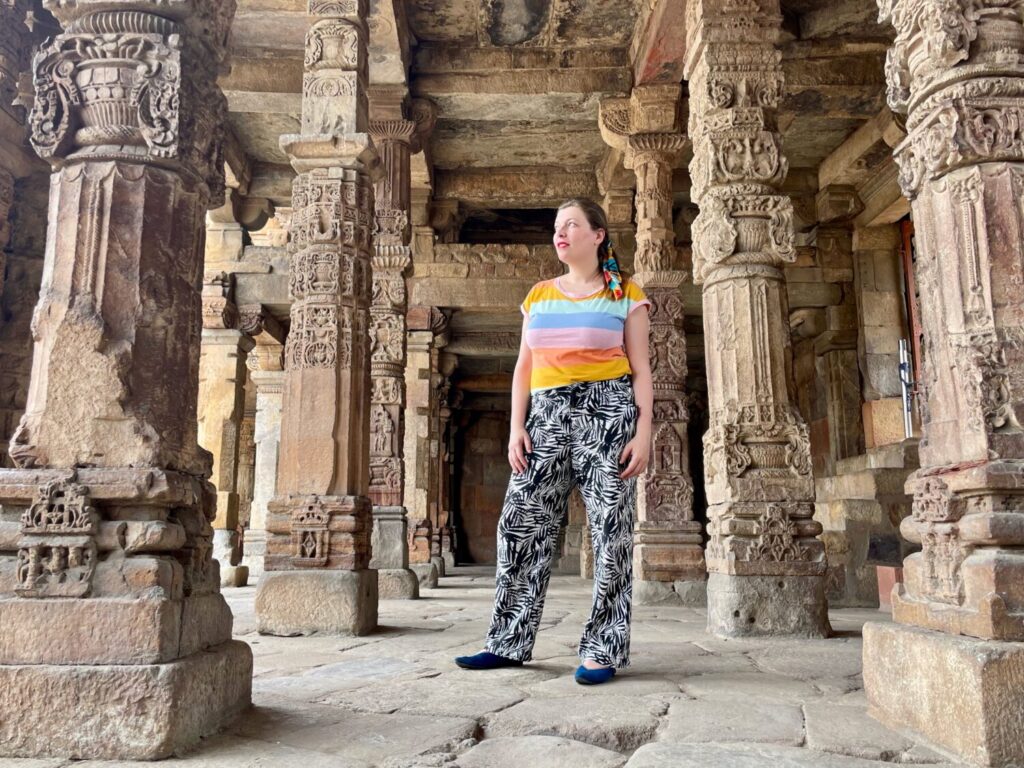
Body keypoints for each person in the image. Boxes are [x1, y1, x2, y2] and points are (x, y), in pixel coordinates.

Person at [454, 198, 652, 685]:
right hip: (544, 415)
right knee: (520, 525)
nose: (560, 234)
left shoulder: (626, 294)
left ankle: (602, 650)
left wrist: (644, 433)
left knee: (610, 530)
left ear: (597, 235)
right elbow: (524, 367)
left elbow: (643, 369)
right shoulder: (538, 295)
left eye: (571, 225)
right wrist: (515, 426)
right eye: (556, 227)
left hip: (607, 414)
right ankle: (507, 642)